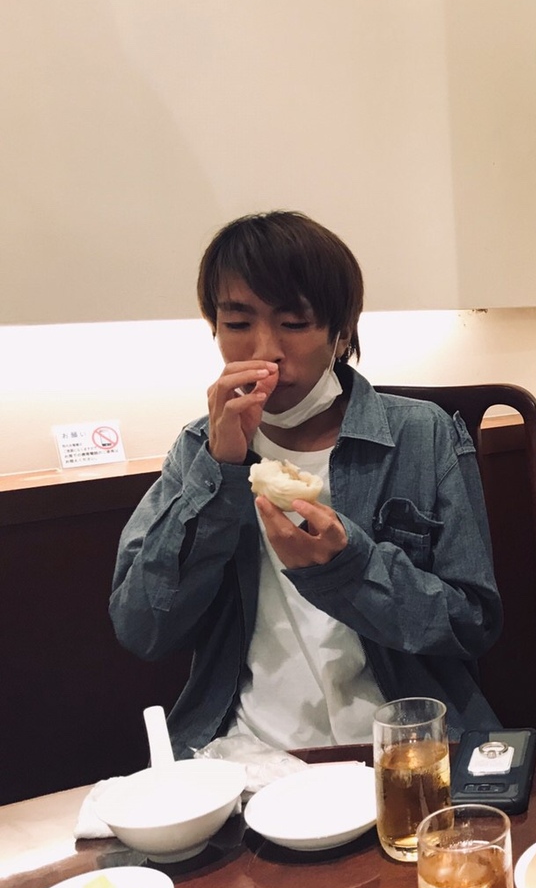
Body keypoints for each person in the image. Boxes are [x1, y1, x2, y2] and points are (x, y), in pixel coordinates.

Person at [111, 211, 503, 758]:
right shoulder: (199, 447)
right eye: (237, 323)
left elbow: (472, 623)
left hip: (403, 744)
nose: (264, 350)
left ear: (341, 334)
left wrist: (347, 569)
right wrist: (220, 471)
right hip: (248, 748)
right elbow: (144, 627)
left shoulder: (423, 433)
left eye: (295, 323)